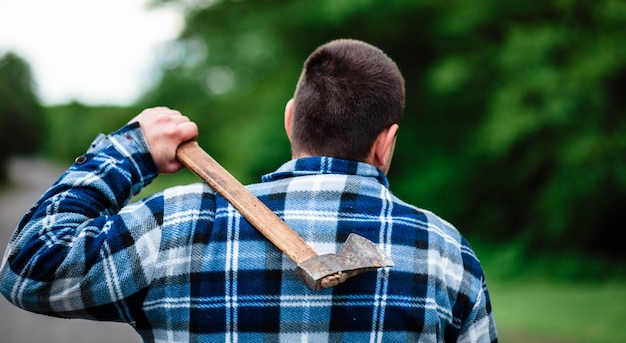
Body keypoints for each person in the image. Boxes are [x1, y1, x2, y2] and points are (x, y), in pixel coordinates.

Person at [0, 39, 498, 342]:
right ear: (386, 143)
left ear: (289, 121)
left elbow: (28, 268)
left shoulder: (175, 226)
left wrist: (128, 151)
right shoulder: (446, 255)